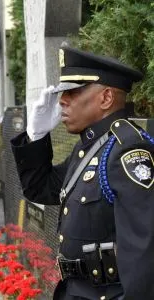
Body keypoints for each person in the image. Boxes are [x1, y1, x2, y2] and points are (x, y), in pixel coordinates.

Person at [11, 46, 154, 300]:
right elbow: (41, 188)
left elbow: (143, 255)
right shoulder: (90, 147)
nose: (62, 100)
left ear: (106, 98)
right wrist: (36, 136)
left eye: (73, 91)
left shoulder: (126, 150)